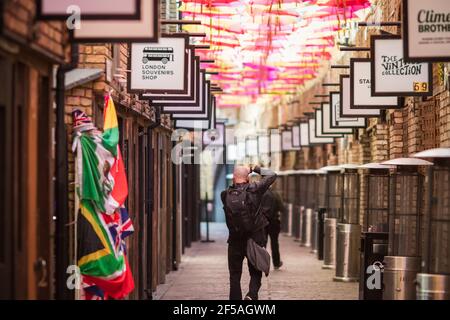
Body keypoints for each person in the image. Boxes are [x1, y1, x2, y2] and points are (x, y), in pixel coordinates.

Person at [221, 165, 277, 301]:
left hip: (234, 240)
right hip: (254, 238)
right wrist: (254, 168)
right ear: (247, 178)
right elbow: (272, 175)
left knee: (234, 275)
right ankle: (251, 295)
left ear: (234, 178)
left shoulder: (224, 194)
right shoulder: (254, 189)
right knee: (255, 271)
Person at [260, 185, 284, 269]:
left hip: (263, 222)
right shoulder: (276, 194)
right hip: (274, 222)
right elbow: (282, 208)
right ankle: (276, 263)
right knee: (274, 243)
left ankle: (262, 263)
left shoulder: (260, 193)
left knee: (263, 242)